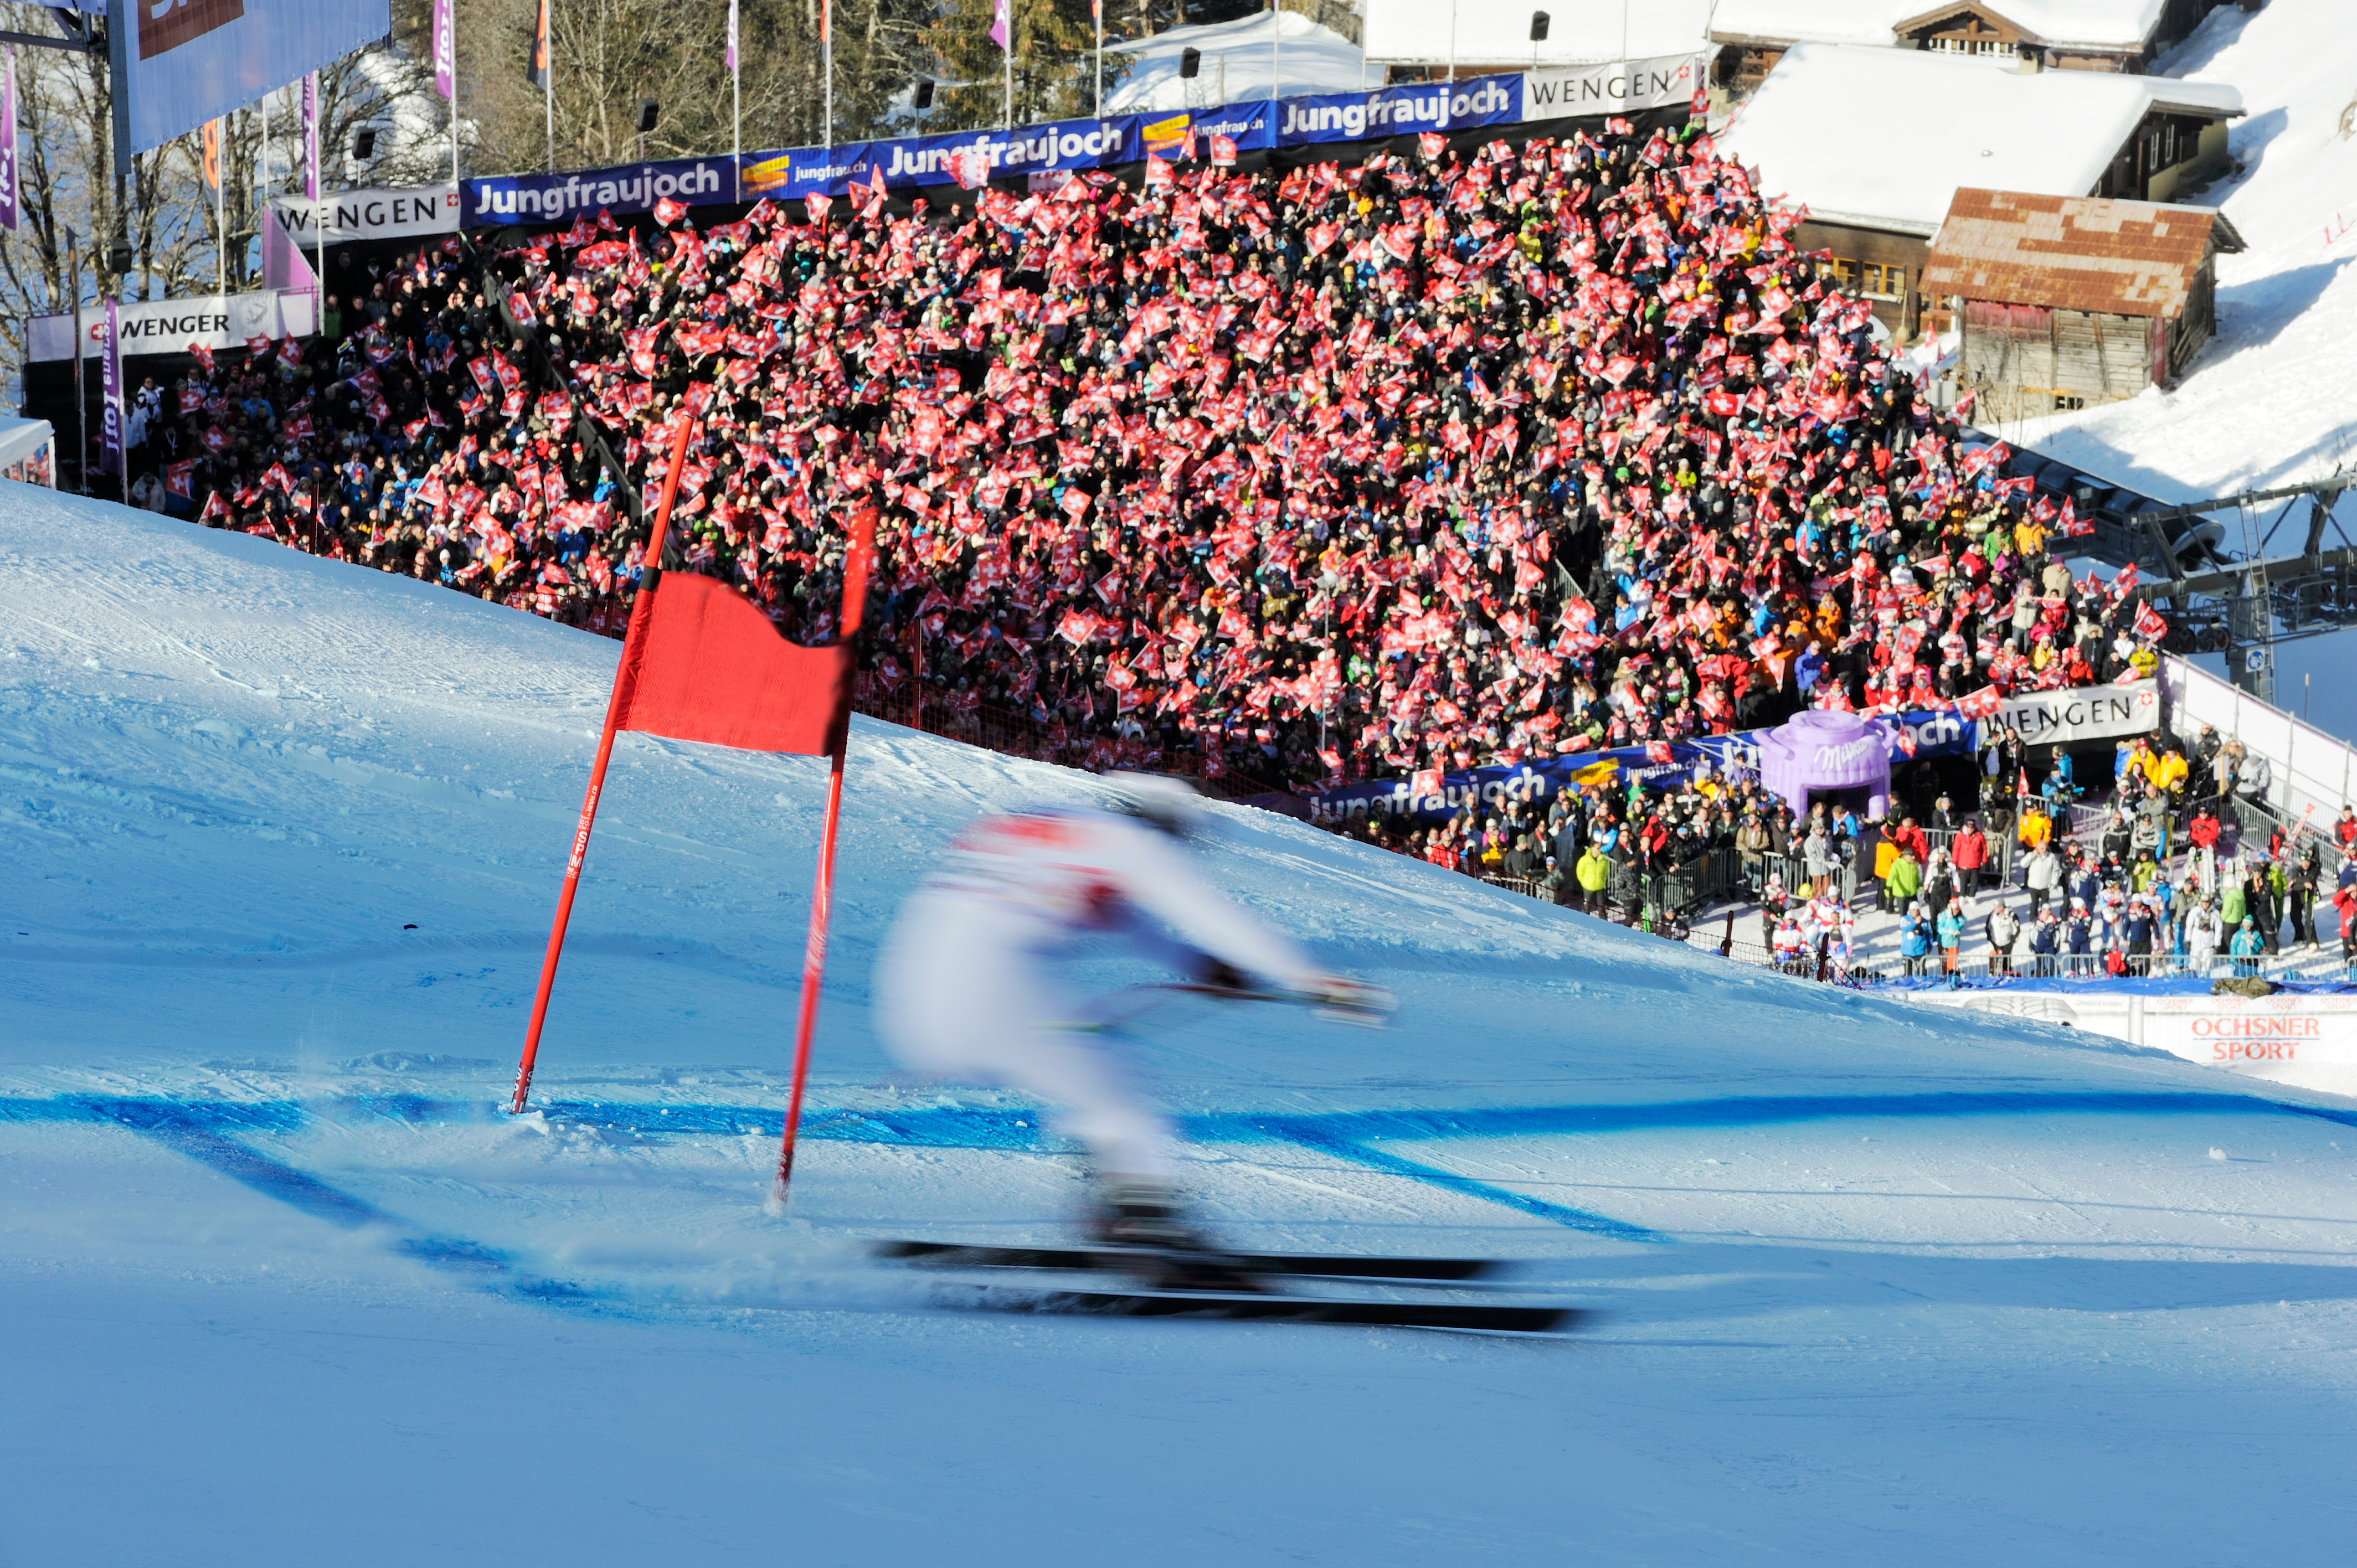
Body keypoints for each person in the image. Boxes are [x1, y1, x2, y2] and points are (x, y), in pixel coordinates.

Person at [874, 775, 1382, 1260]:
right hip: (992, 990)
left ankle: (1116, 1214)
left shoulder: (1054, 825)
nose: (1179, 850)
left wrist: (1204, 967)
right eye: (1180, 837)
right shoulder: (1131, 841)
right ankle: (1142, 1225)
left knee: (1095, 1088)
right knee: (1125, 1094)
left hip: (912, 997)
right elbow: (1217, 919)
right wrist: (1320, 983)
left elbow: (1136, 926)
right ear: (1162, 821)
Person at [1986, 900, 2021, 977]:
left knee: (2006, 961)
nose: (1995, 908)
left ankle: (2007, 975)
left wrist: (2013, 939)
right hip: (1995, 942)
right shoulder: (1992, 914)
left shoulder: (2011, 915)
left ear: (2001, 907)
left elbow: (2017, 928)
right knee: (1994, 959)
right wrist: (1990, 938)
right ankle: (1992, 975)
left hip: (2007, 942)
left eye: (1997, 907)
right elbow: (1988, 927)